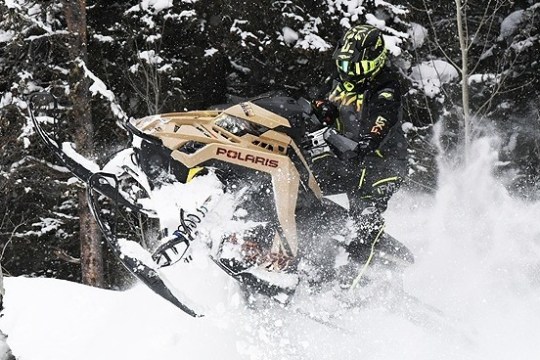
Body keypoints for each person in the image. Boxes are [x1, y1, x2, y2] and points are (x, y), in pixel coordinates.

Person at [308, 24, 408, 282]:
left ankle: (352, 282)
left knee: (365, 214)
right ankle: (300, 253)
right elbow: (313, 99)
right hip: (342, 155)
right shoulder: (336, 79)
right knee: (304, 188)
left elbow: (382, 117)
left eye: (358, 68)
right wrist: (321, 108)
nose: (350, 73)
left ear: (376, 61)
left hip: (382, 163)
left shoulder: (386, 86)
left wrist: (369, 140)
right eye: (345, 66)